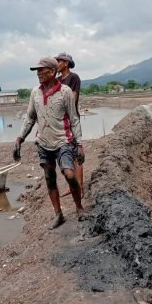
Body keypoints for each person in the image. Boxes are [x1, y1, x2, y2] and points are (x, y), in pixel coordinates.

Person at [13, 56, 85, 229]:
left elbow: (74, 119)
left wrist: (80, 144)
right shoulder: (35, 93)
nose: (38, 74)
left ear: (52, 72)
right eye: (37, 71)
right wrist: (19, 138)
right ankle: (58, 214)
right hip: (43, 143)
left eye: (41, 70)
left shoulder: (65, 91)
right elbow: (30, 118)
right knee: (49, 178)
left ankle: (79, 207)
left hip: (64, 141)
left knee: (69, 174)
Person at [55, 52, 84, 197]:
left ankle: (80, 187)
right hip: (60, 122)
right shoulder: (57, 80)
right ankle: (73, 187)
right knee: (66, 154)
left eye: (59, 61)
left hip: (71, 121)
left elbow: (72, 99)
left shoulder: (74, 78)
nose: (57, 63)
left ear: (66, 63)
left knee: (76, 155)